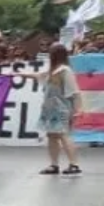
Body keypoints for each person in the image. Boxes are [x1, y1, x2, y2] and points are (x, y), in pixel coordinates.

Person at [32, 44, 83, 175]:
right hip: (50, 109)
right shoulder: (52, 71)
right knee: (51, 135)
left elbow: (75, 91)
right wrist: (17, 73)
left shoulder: (65, 70)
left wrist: (78, 109)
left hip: (61, 108)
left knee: (63, 134)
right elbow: (37, 75)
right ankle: (54, 164)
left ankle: (74, 164)